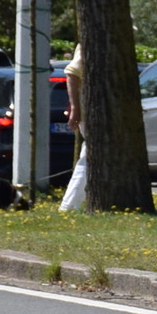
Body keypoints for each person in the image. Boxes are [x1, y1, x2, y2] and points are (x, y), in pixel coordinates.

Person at [57, 44, 89, 213]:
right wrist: (75, 109)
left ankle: (69, 206)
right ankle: (68, 206)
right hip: (90, 113)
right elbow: (72, 73)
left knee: (88, 157)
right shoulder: (89, 42)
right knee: (89, 157)